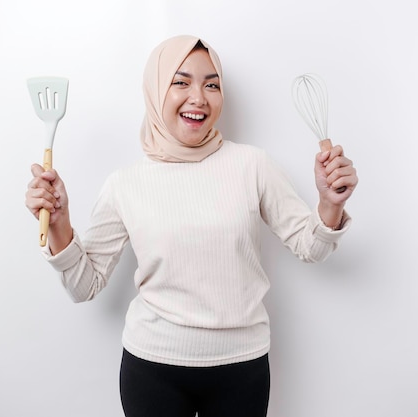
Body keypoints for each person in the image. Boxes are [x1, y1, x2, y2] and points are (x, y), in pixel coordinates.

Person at [25, 35, 358, 417]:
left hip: (242, 368)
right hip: (152, 369)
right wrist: (59, 224)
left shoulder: (253, 166)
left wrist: (330, 205)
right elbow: (84, 286)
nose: (199, 97)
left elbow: (310, 247)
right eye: (181, 82)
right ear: (155, 90)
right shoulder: (125, 184)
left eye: (211, 84)